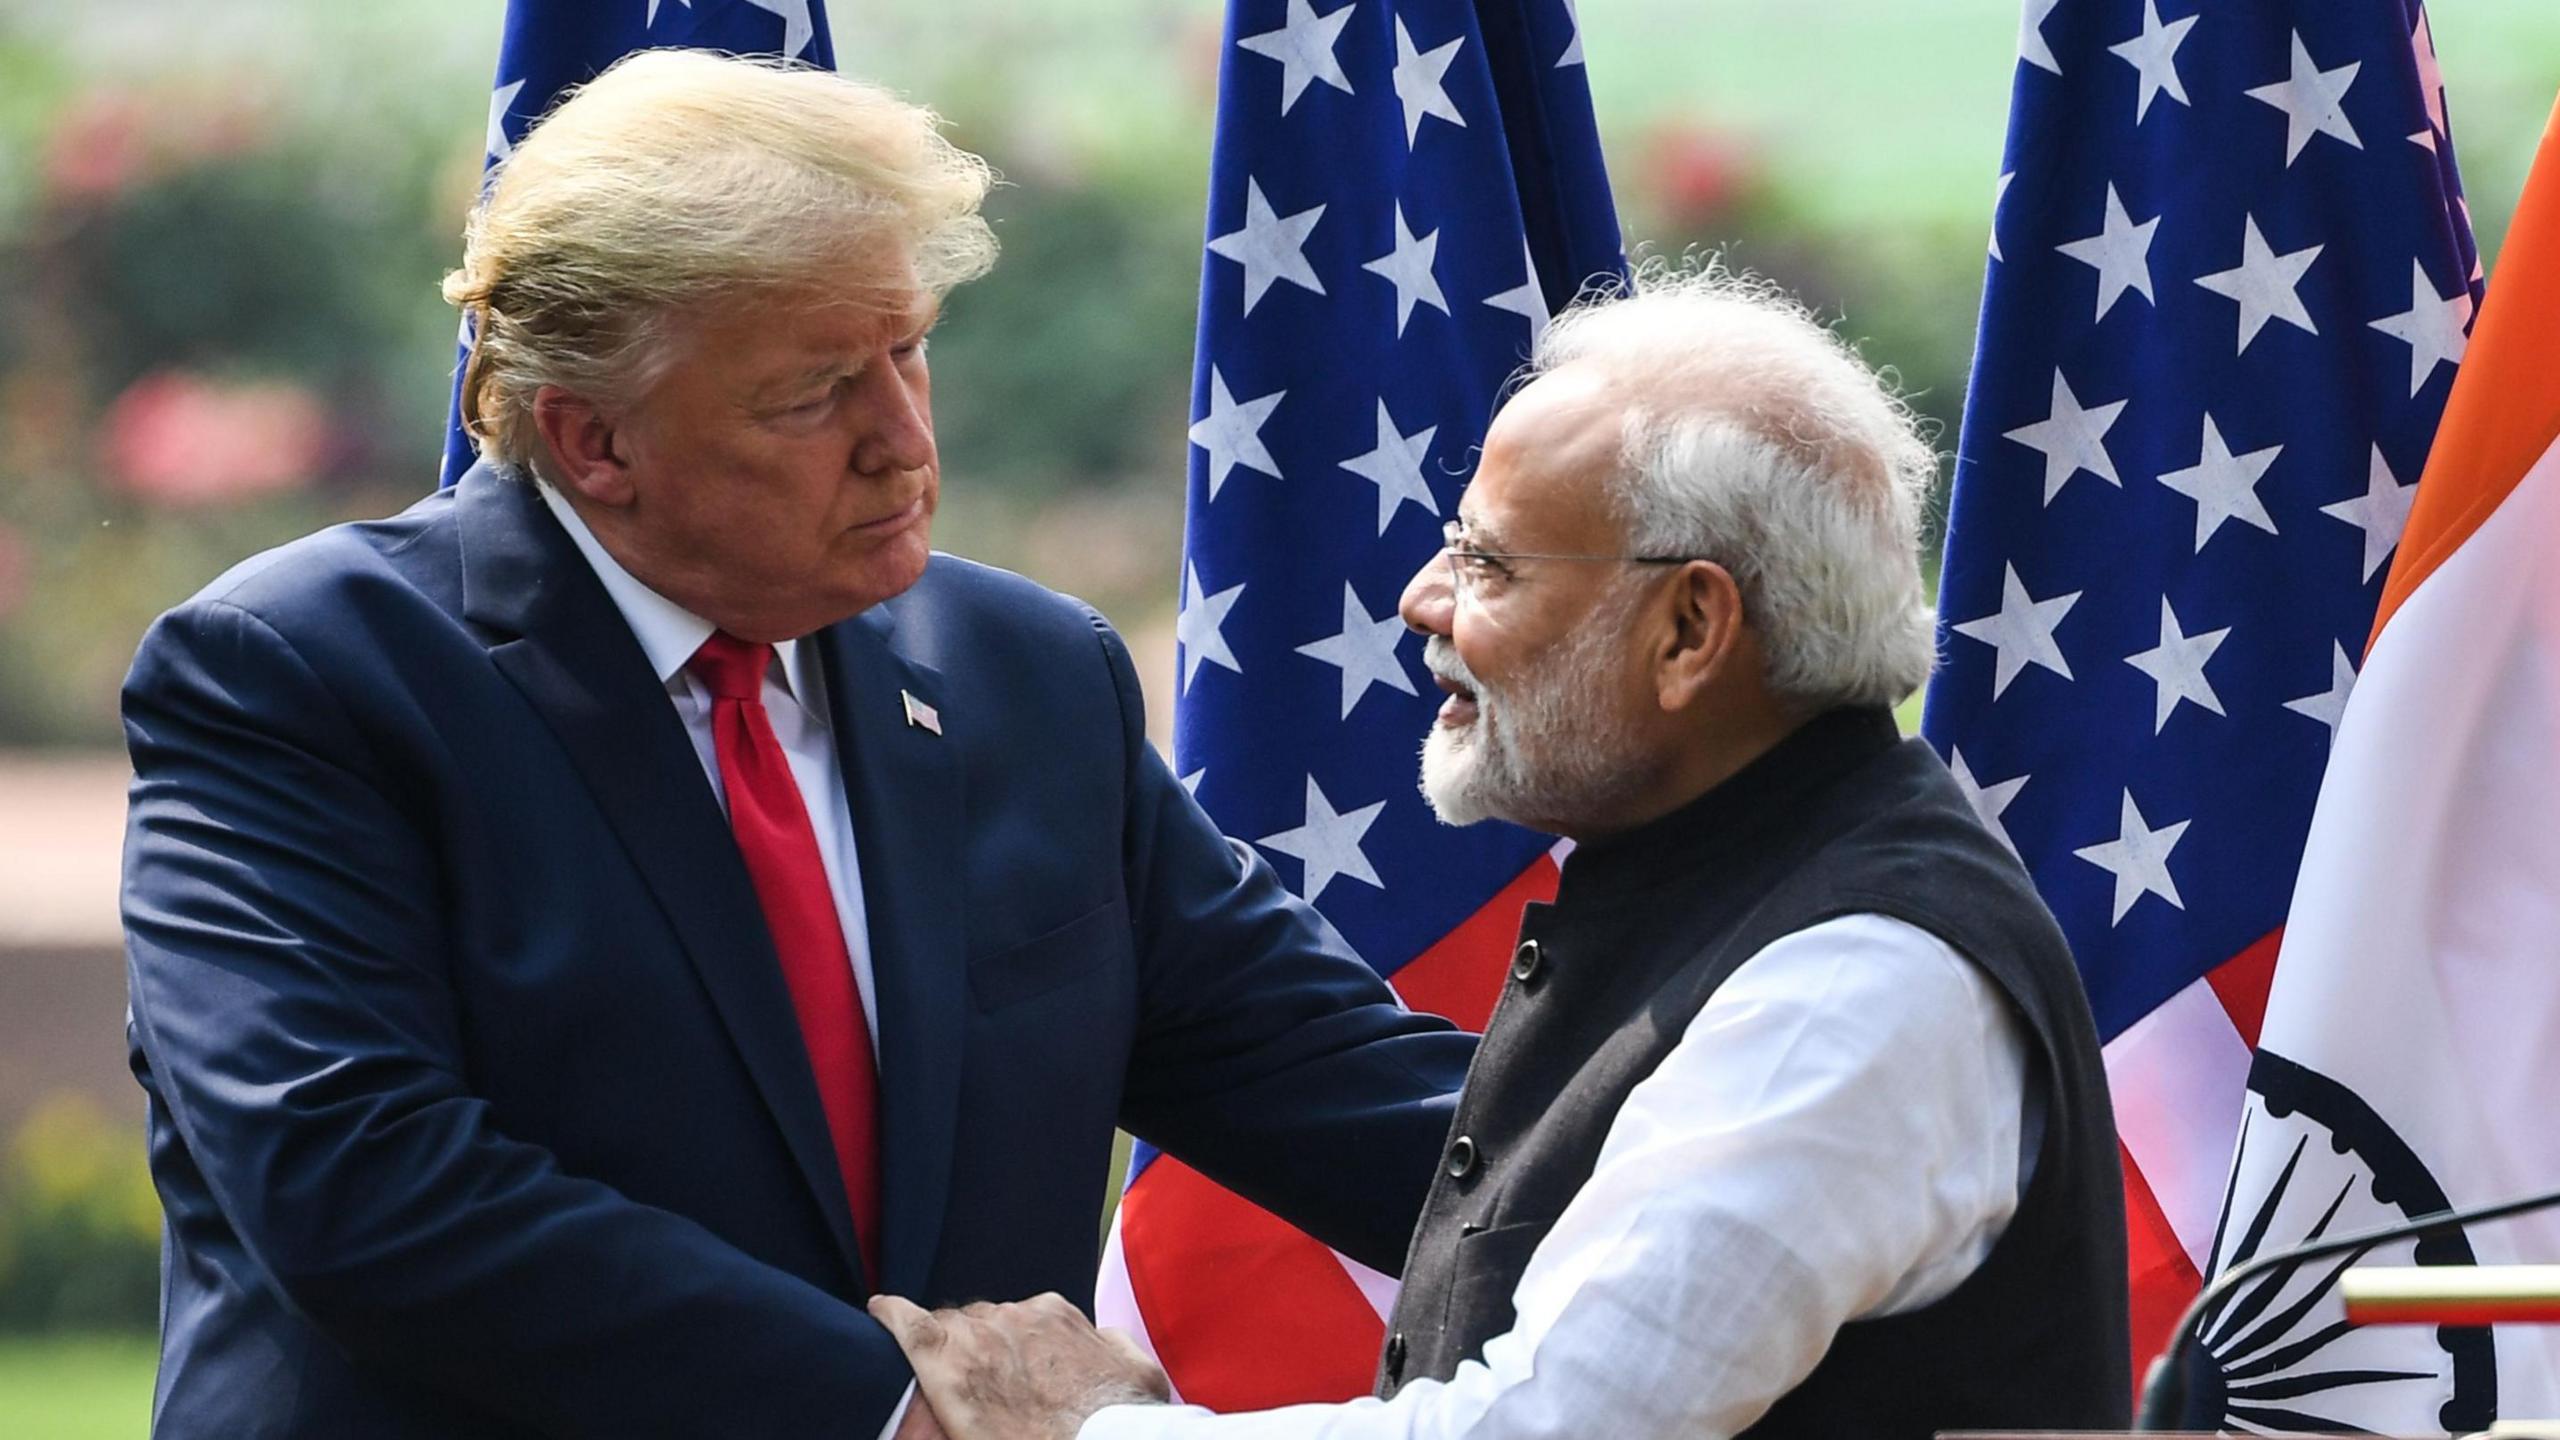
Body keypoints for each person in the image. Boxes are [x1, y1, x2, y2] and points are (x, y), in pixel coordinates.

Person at [118, 50, 1471, 1440]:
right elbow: (360, 1183)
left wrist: (1695, 1184)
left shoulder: (1027, 678)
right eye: (814, 393)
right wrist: (901, 1412)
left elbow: (1331, 1082)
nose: (902, 441)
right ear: (594, 442)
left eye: (909, 349)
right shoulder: (302, 680)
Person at [868, 269, 2133, 1440]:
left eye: (1488, 561)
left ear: (1690, 626)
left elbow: (1549, 1427)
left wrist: (1087, 1426)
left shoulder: (1852, 987)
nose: (1423, 599)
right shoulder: (1740, 878)